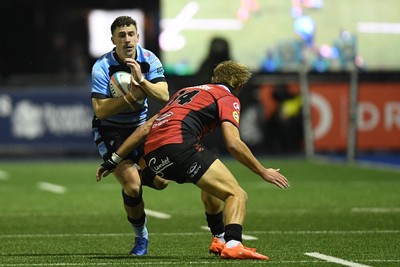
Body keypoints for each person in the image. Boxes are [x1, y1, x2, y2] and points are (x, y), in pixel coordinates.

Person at [97, 61, 289, 260]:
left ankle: (219, 238)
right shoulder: (227, 96)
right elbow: (233, 143)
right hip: (180, 146)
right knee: (237, 194)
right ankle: (233, 243)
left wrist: (113, 159)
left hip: (153, 153)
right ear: (238, 85)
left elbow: (144, 128)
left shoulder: (185, 91)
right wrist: (262, 171)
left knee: (203, 183)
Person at [90, 16, 169, 256]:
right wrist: (131, 97)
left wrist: (142, 82)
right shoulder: (102, 66)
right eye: (121, 35)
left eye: (131, 34)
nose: (127, 39)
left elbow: (164, 96)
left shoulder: (149, 59)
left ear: (137, 36)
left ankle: (137, 171)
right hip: (110, 131)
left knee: (161, 182)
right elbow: (100, 110)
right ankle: (141, 237)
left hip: (140, 128)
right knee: (133, 187)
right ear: (113, 39)